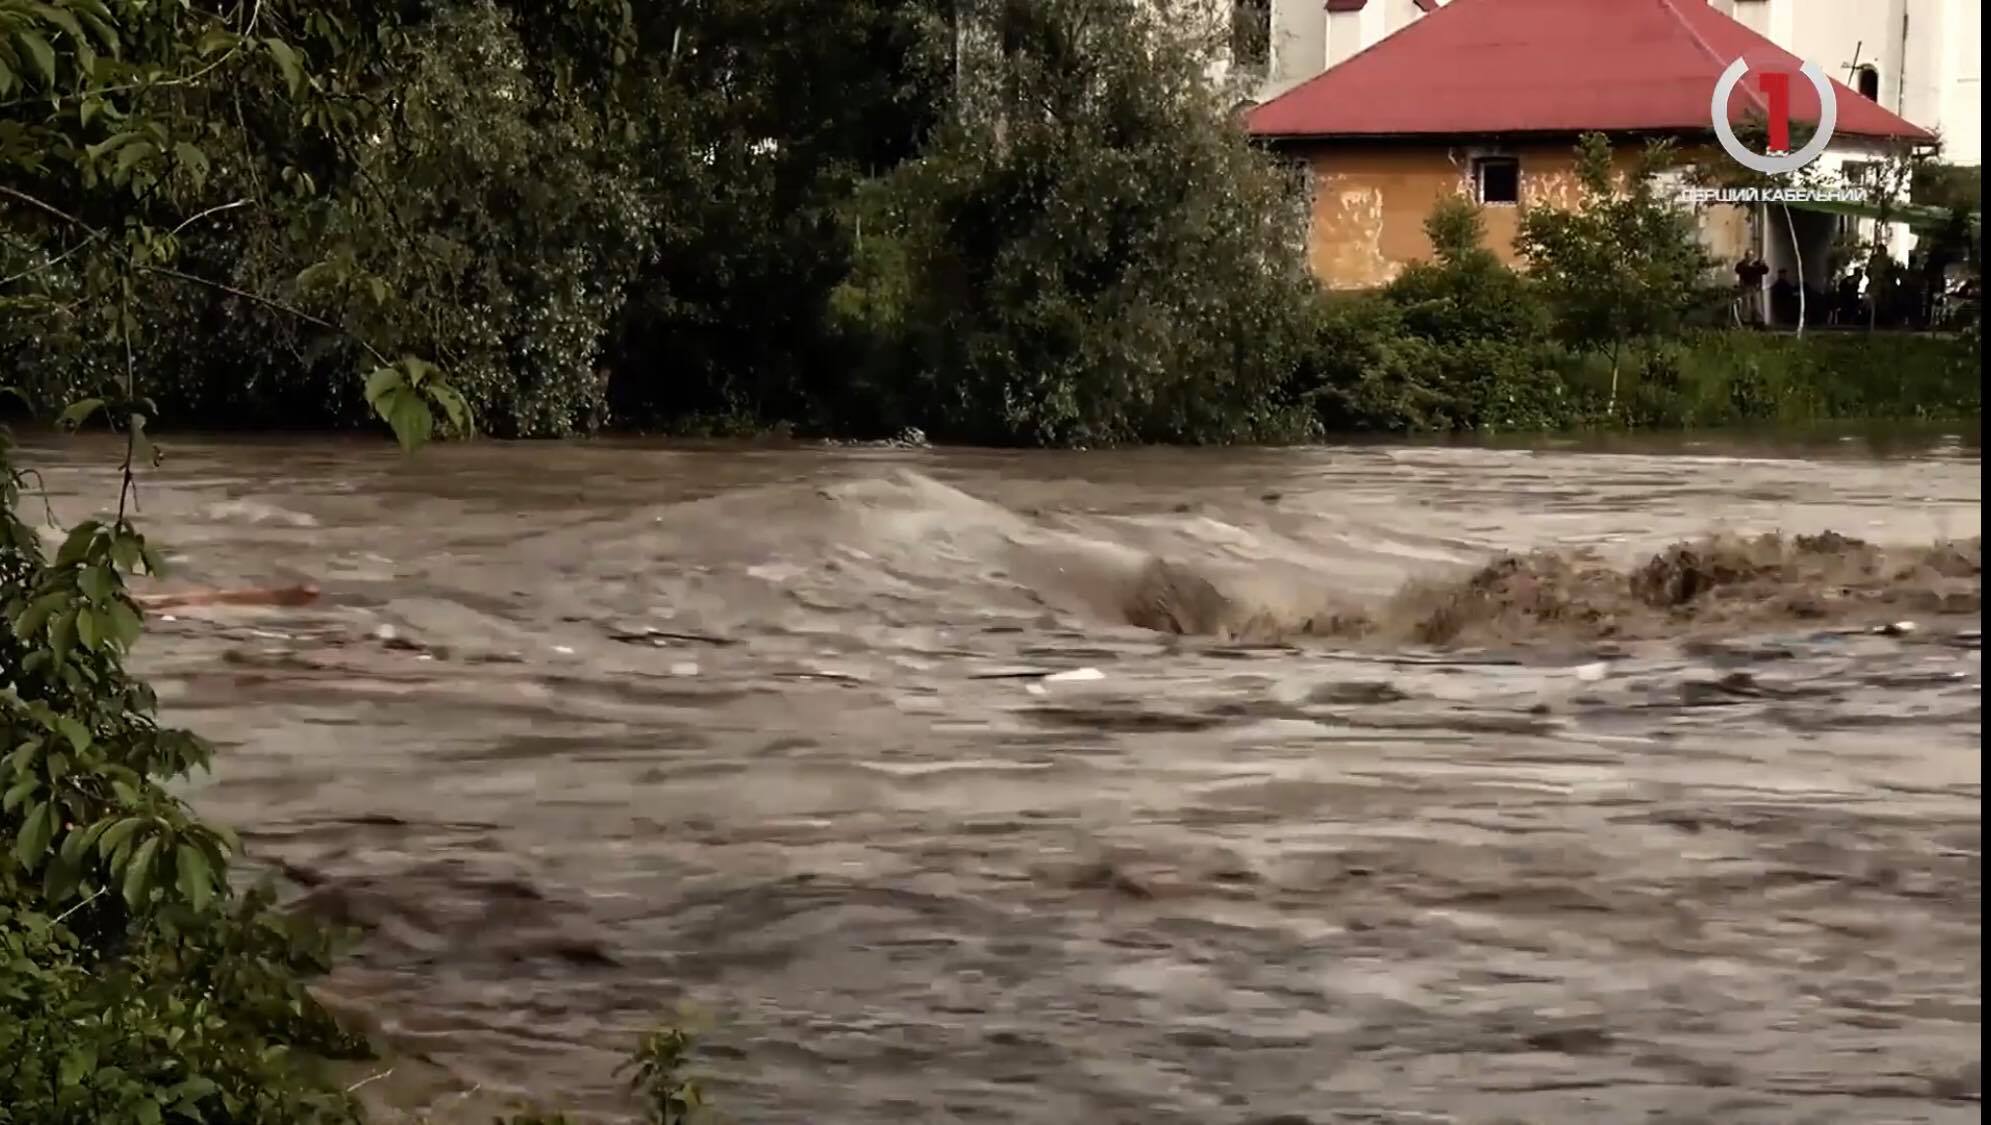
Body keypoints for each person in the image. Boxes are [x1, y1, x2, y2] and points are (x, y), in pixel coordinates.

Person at [1734, 252, 1770, 325]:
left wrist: (1763, 264)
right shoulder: (1742, 264)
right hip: (1746, 287)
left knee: (1757, 305)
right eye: (1748, 255)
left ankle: (1759, 321)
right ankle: (1746, 320)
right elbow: (1737, 270)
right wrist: (1747, 266)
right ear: (1746, 256)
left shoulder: (1757, 264)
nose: (1750, 257)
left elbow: (1765, 271)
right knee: (1746, 304)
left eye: (1751, 255)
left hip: (1755, 287)